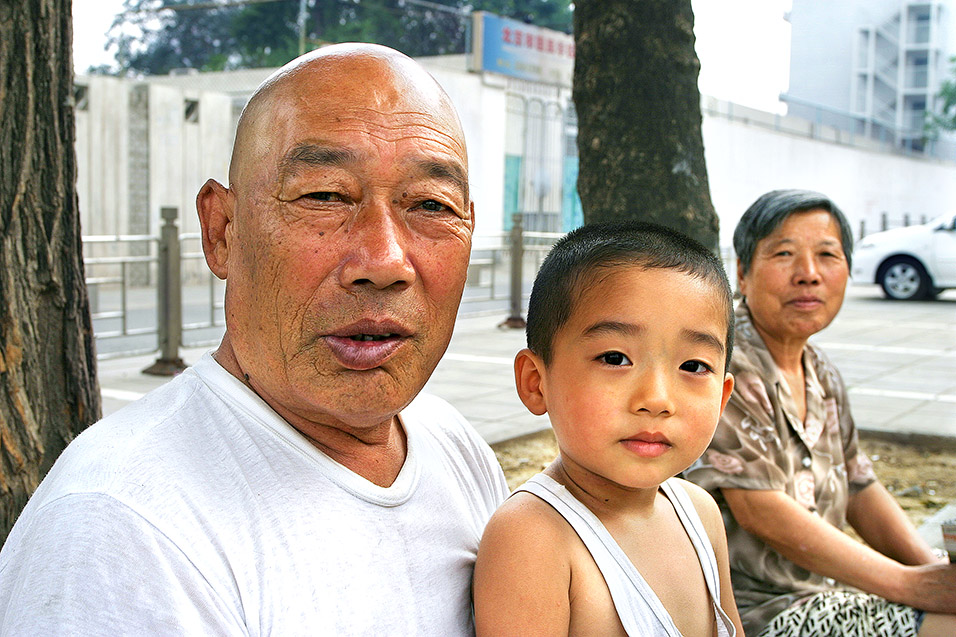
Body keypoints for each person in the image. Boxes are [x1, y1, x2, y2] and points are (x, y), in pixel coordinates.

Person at [0, 44, 509, 634]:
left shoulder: (454, 448)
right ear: (222, 231)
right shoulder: (121, 526)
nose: (385, 260)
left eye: (430, 204)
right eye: (324, 196)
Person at [684, 189, 956, 637]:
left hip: (822, 597)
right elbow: (759, 507)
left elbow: (859, 486)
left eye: (827, 255)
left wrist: (933, 572)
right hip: (749, 613)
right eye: (784, 254)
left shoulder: (820, 371)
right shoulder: (725, 364)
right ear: (743, 273)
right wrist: (911, 585)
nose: (808, 274)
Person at [473, 222, 744, 636]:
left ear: (723, 397)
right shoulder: (533, 538)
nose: (656, 399)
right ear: (536, 382)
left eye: (693, 366)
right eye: (615, 358)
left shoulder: (701, 515)